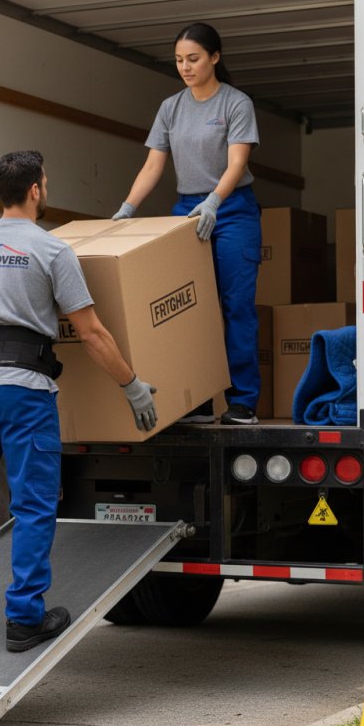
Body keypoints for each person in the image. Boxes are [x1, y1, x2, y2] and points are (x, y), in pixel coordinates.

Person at [0, 150, 158, 653]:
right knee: (32, 504)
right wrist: (132, 387)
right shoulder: (52, 251)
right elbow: (90, 332)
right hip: (24, 391)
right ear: (36, 190)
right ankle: (24, 618)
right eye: (44, 183)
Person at [113, 22, 262, 426]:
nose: (185, 67)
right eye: (179, 60)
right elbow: (153, 164)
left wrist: (215, 201)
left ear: (215, 57)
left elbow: (238, 163)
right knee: (186, 308)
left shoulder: (236, 103)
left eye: (193, 59)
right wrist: (127, 208)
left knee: (235, 308)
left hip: (231, 210)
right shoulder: (171, 107)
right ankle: (192, 396)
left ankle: (243, 401)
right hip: (186, 211)